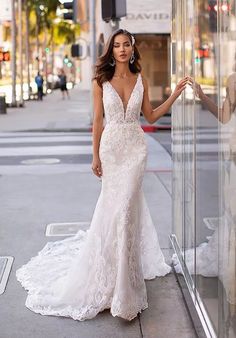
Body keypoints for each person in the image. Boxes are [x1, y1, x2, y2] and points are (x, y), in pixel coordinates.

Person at [16, 29, 188, 321]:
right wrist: (95, 154)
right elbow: (97, 120)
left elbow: (151, 116)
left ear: (132, 49)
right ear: (111, 50)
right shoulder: (101, 80)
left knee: (125, 211)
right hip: (111, 150)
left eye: (126, 45)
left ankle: (126, 288)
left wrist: (173, 95)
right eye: (116, 45)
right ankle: (110, 277)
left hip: (135, 150)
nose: (121, 50)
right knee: (114, 211)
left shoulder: (140, 79)